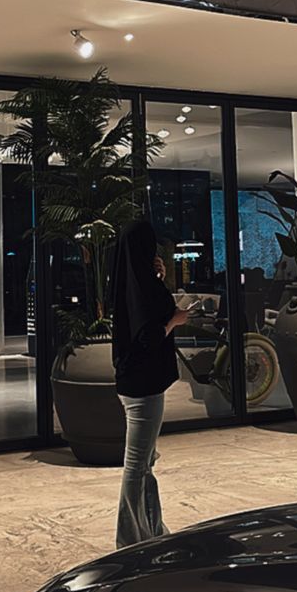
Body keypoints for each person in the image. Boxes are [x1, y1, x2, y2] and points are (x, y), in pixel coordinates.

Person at [111, 218, 190, 549]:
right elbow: (148, 335)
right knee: (138, 465)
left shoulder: (133, 280)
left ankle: (151, 530)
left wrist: (159, 277)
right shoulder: (139, 285)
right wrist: (176, 321)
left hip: (136, 382)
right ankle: (131, 541)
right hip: (143, 386)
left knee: (145, 462)